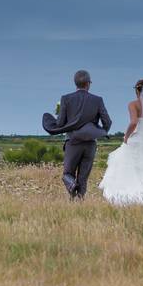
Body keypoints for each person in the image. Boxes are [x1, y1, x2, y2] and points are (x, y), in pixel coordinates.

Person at [42, 70, 112, 200]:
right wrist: (98, 131)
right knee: (83, 176)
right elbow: (107, 122)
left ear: (76, 83)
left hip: (72, 142)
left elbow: (60, 123)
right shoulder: (98, 100)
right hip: (90, 144)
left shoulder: (66, 99)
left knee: (68, 174)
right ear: (88, 84)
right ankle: (79, 202)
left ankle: (72, 188)